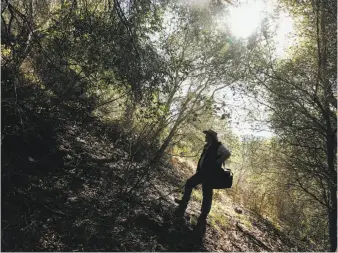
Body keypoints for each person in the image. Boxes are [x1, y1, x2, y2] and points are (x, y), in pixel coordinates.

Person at [174, 129, 231, 235]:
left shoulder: (218, 146)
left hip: (210, 174)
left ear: (212, 137)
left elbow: (227, 153)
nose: (205, 137)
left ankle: (203, 216)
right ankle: (184, 202)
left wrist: (218, 161)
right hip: (202, 172)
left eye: (207, 135)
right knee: (189, 183)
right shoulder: (207, 146)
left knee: (207, 194)